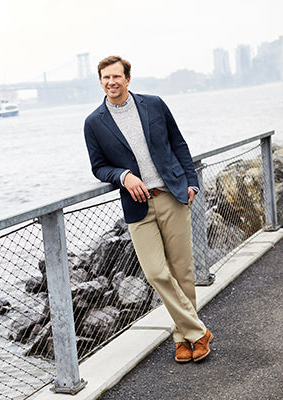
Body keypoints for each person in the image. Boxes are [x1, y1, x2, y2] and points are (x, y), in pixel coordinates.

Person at [83, 55, 213, 363]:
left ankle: (184, 339)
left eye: (117, 76)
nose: (111, 82)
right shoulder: (93, 123)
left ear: (128, 78)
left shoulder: (154, 105)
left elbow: (178, 144)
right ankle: (198, 331)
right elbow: (99, 167)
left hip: (171, 195)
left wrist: (192, 184)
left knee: (182, 271)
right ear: (100, 82)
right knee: (156, 272)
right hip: (137, 206)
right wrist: (123, 176)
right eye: (105, 78)